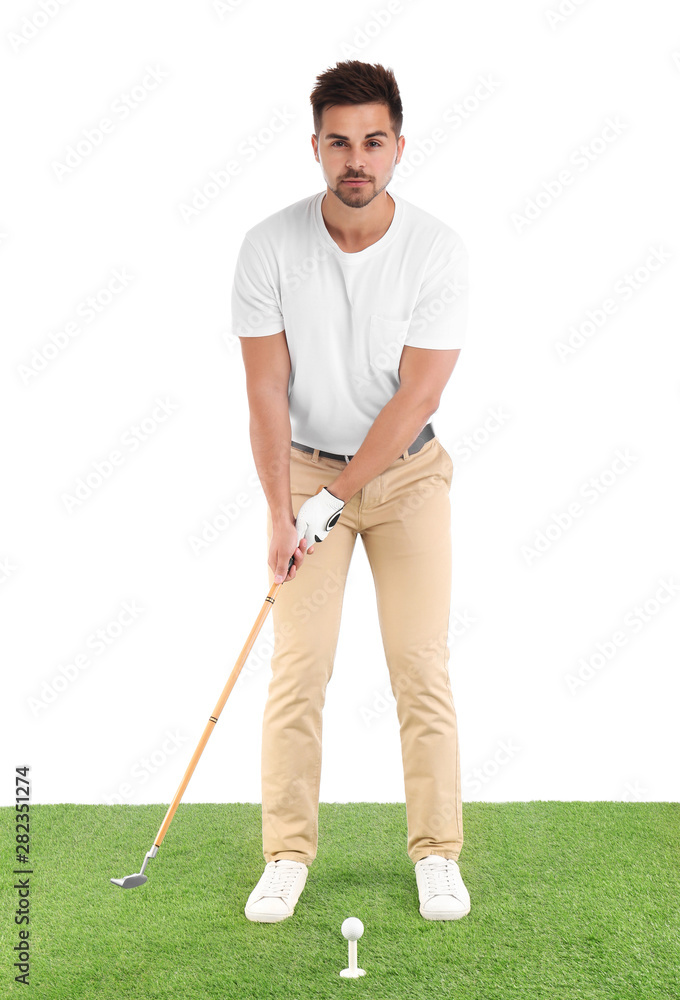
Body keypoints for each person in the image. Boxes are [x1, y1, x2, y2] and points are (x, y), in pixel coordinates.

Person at [231, 59, 470, 924]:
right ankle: (286, 855)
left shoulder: (436, 249)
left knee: (419, 666)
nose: (356, 159)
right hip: (302, 472)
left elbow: (419, 398)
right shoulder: (269, 246)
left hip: (408, 480)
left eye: (373, 141)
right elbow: (265, 390)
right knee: (298, 669)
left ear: (399, 146)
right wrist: (280, 512)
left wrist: (335, 498)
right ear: (315, 148)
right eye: (339, 143)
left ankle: (436, 853)